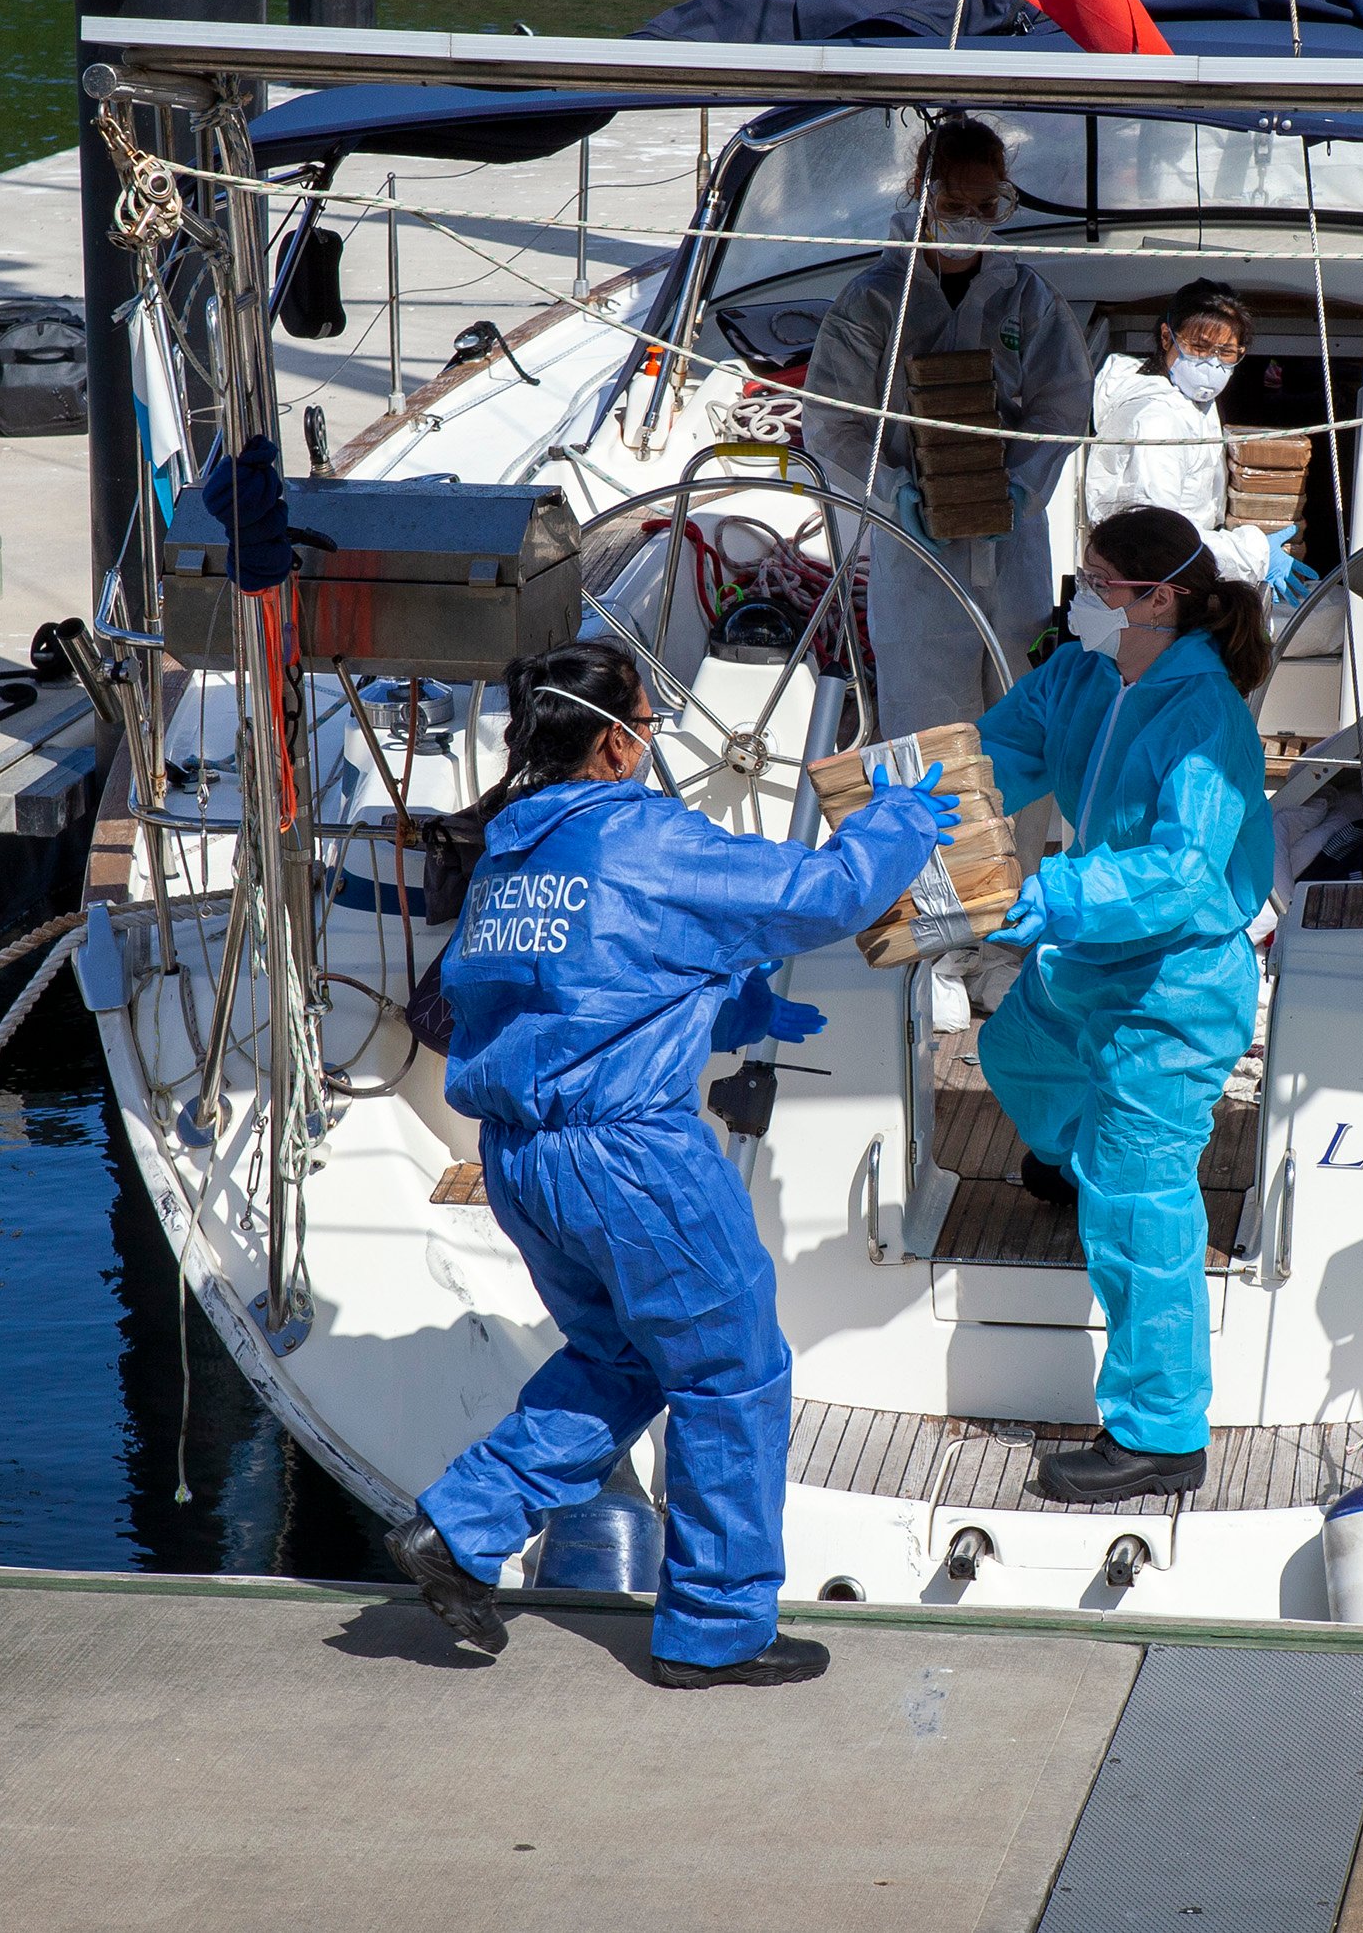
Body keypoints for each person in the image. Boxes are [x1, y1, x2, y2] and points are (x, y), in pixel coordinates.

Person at [389, 640, 955, 1686]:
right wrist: (899, 825)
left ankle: (461, 1527)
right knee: (732, 1373)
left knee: (622, 1359)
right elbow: (823, 894)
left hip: (522, 1159)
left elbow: (575, 977)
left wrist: (728, 1004)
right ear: (614, 742)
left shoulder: (509, 851)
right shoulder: (635, 831)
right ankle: (715, 1630)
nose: (650, 745)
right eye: (647, 725)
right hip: (631, 1159)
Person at [972, 506, 1281, 1503]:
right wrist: (893, 815)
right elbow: (990, 762)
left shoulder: (1205, 719)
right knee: (1015, 1056)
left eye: (1102, 585)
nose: (1083, 601)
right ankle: (1075, 1156)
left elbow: (1187, 874)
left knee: (1141, 1204)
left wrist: (1055, 895)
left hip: (1175, 988)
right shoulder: (1081, 675)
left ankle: (1159, 1434)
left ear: (1163, 600)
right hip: (1093, 962)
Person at [803, 114, 1092, 736]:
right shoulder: (875, 300)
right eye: (954, 202)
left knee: (1020, 717)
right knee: (926, 726)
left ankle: (1014, 838)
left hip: (1011, 548)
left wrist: (1021, 486)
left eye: (985, 205)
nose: (968, 218)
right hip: (914, 553)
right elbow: (833, 423)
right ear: (921, 191)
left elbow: (1062, 406)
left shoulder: (1027, 297)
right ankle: (928, 839)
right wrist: (894, 492)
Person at [1080, 278, 1318, 604]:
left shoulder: (1189, 399)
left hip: (1170, 578)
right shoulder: (1156, 420)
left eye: (1226, 352)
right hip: (1145, 593)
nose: (1211, 363)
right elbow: (1159, 537)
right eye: (1199, 347)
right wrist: (1256, 554)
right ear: (1167, 337)